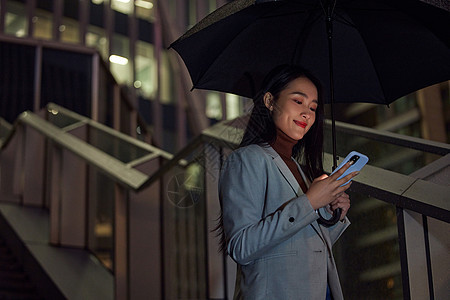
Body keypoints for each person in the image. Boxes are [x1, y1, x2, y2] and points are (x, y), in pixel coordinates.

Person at [218, 65, 357, 300]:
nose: (307, 113)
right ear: (270, 101)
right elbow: (241, 246)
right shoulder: (247, 159)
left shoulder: (298, 169)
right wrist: (310, 202)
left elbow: (300, 247)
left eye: (313, 107)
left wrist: (334, 215)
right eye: (298, 101)